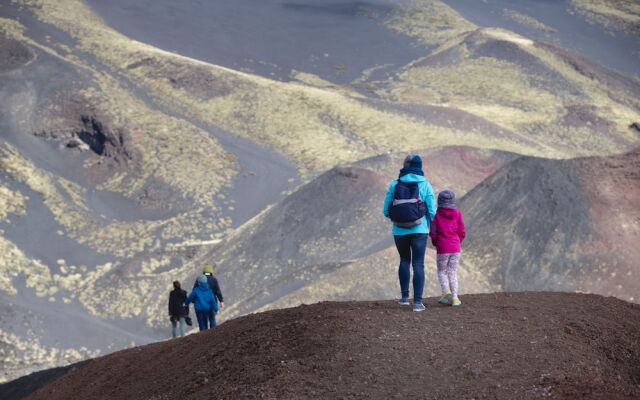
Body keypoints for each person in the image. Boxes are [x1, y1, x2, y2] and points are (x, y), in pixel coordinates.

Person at [383, 154, 436, 312]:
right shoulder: (425, 185)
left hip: (399, 230)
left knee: (404, 260)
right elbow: (432, 211)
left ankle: (405, 298)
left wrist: (399, 217)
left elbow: (386, 210)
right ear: (420, 166)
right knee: (418, 263)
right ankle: (418, 303)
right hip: (420, 230)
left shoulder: (394, 184)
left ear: (404, 166)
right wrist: (430, 226)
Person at [430, 190, 466, 307]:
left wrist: (437, 243)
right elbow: (462, 232)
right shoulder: (458, 214)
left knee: (442, 271)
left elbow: (433, 233)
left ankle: (446, 293)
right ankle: (455, 298)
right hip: (455, 247)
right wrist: (457, 242)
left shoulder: (436, 216)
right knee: (452, 272)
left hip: (442, 248)